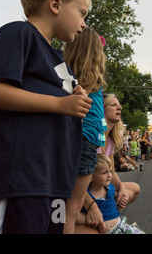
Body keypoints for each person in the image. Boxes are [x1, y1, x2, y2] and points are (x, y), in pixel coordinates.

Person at [0, 0, 93, 234]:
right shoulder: (19, 33)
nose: (83, 24)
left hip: (50, 179)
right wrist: (58, 104)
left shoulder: (57, 59)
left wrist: (74, 96)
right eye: (81, 13)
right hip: (19, 181)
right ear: (55, 4)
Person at [62, 27, 107, 234]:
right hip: (85, 140)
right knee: (71, 208)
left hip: (71, 138)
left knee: (65, 205)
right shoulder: (92, 78)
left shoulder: (66, 74)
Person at [77, 94, 140, 234]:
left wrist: (121, 188)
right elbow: (75, 181)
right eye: (113, 105)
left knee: (133, 189)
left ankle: (110, 218)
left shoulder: (110, 140)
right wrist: (91, 206)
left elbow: (111, 170)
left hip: (100, 188)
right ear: (102, 109)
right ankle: (99, 219)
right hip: (83, 192)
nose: (120, 107)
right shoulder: (91, 137)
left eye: (119, 104)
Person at [76, 154, 145, 234]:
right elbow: (75, 217)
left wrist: (122, 200)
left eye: (110, 171)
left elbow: (116, 196)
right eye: (104, 173)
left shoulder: (109, 188)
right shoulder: (87, 195)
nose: (109, 175)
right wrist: (88, 219)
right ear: (90, 177)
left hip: (120, 226)